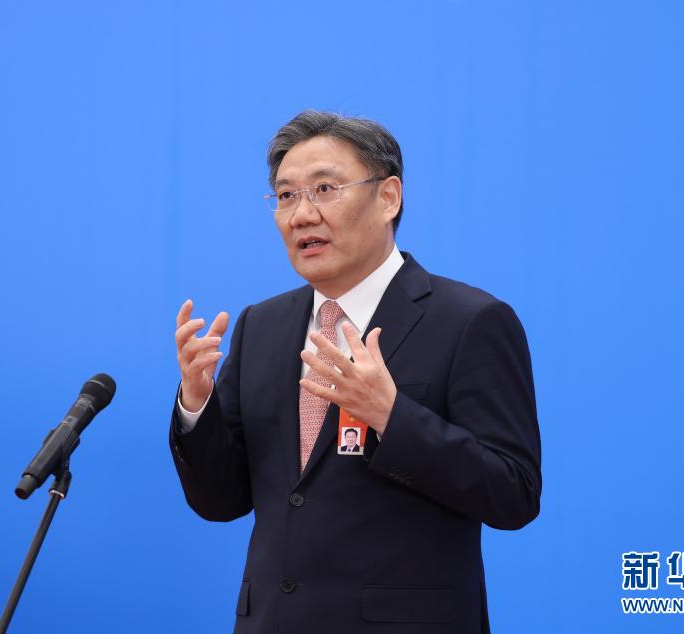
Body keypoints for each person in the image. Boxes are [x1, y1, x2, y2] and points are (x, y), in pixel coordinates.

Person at [169, 110, 541, 634]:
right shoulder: (261, 327)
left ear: (388, 197)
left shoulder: (469, 321)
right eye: (286, 195)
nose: (302, 214)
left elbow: (513, 493)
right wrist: (196, 403)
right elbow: (220, 500)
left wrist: (392, 417)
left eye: (324, 189)